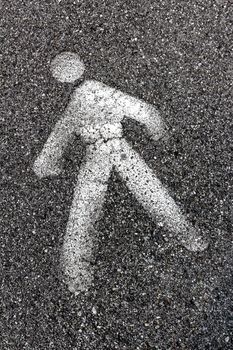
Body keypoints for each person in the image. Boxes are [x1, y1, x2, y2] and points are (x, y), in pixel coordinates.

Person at [33, 52, 208, 294]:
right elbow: (143, 110)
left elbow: (59, 137)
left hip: (95, 153)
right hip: (119, 147)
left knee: (85, 209)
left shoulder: (76, 102)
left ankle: (77, 274)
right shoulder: (102, 92)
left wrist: (46, 165)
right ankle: (188, 236)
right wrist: (158, 131)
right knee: (151, 191)